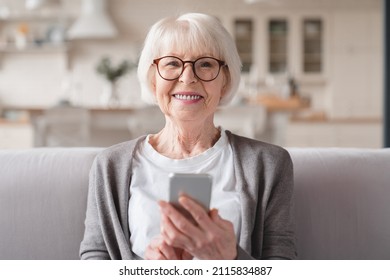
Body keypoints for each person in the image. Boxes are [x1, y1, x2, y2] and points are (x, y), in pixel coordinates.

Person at [80, 12, 297, 260]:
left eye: (205, 64)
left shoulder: (269, 164)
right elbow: (94, 256)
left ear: (224, 81)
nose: (187, 77)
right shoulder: (110, 165)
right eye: (172, 63)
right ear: (153, 80)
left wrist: (231, 260)